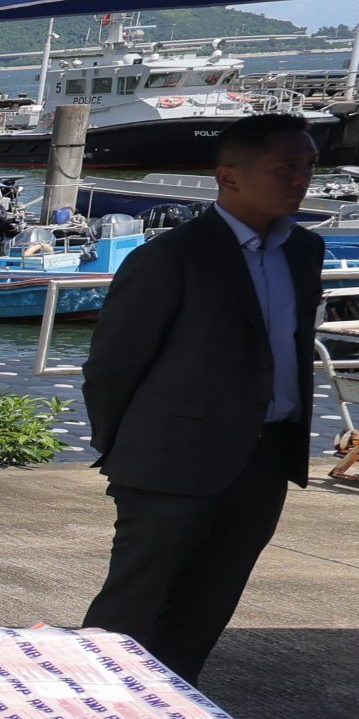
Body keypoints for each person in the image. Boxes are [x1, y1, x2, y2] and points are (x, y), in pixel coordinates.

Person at [78, 113, 322, 682]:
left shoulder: (303, 250)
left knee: (208, 606)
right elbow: (112, 366)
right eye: (284, 167)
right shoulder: (172, 257)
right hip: (169, 462)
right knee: (132, 607)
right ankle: (90, 707)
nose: (300, 180)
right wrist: (122, 451)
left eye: (308, 167)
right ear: (229, 177)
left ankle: (174, 708)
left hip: (264, 456)